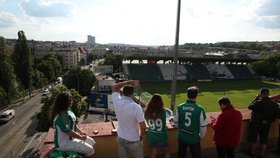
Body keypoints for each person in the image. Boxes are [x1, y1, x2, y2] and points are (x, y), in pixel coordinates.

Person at [50, 91, 95, 158]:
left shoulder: (68, 110)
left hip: (71, 138)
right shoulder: (61, 116)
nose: (72, 101)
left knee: (91, 141)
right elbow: (68, 131)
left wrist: (81, 133)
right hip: (64, 143)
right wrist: (80, 137)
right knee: (90, 150)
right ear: (65, 102)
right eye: (70, 100)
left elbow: (73, 124)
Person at [112, 80, 147, 158]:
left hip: (121, 137)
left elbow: (114, 87)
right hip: (134, 139)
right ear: (132, 94)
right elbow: (143, 127)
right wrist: (140, 137)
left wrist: (128, 82)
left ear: (122, 93)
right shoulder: (136, 107)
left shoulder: (117, 102)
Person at [173, 86, 207, 158]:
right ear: (196, 95)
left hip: (182, 137)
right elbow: (203, 127)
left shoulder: (179, 107)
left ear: (187, 94)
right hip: (194, 138)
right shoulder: (200, 109)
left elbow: (175, 124)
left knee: (181, 155)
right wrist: (200, 137)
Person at [247, 88, 279, 158]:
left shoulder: (259, 102)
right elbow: (276, 115)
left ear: (261, 94)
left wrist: (256, 99)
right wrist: (268, 120)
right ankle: (262, 154)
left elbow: (249, 106)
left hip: (256, 123)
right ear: (268, 94)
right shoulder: (274, 104)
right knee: (264, 139)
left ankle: (252, 153)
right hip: (266, 124)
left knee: (253, 138)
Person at [145, 93, 170, 158]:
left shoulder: (146, 112)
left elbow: (148, 123)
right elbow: (169, 116)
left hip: (152, 136)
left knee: (153, 154)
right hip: (162, 136)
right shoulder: (163, 111)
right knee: (166, 151)